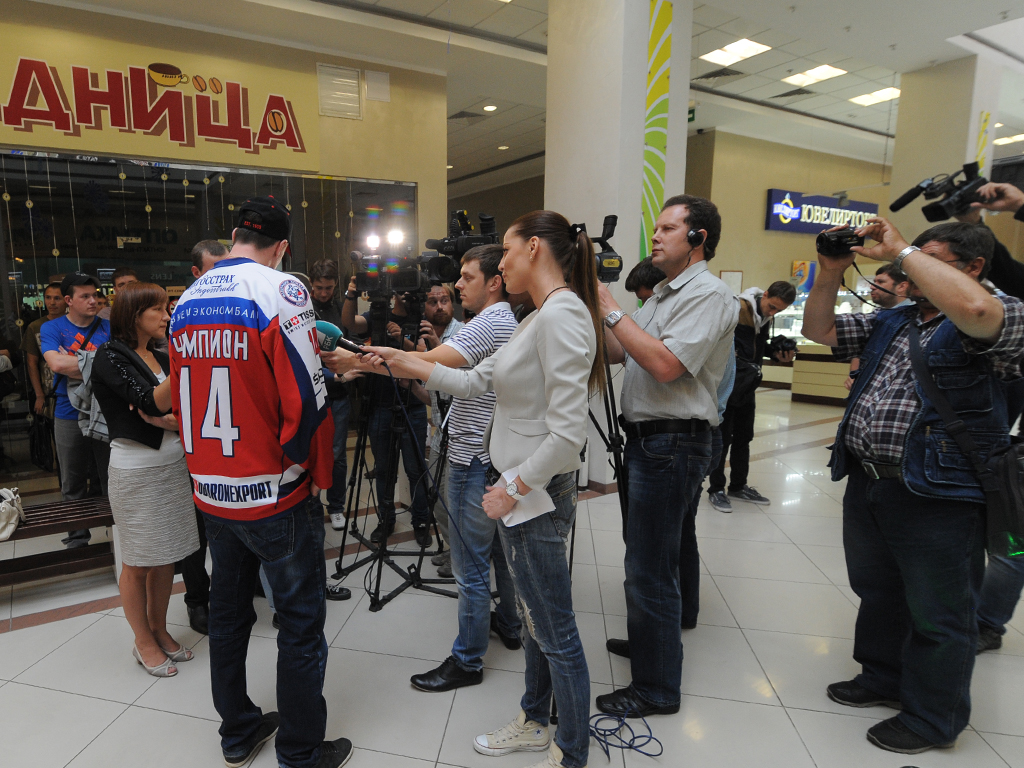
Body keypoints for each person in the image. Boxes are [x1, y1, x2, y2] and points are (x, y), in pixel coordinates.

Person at [336, 210, 604, 768]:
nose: (500, 263)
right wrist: (395, 360)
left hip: (531, 493)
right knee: (531, 620)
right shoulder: (537, 316)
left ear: (534, 248)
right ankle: (535, 721)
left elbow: (568, 433)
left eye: (505, 251)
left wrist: (514, 487)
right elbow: (472, 380)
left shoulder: (563, 316)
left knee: (554, 630)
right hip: (518, 491)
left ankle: (572, 752)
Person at [802, 218, 1023, 754]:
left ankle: (932, 717)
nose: (907, 270)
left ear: (973, 268)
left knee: (940, 611)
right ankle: (882, 676)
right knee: (878, 591)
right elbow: (819, 330)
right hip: (872, 480)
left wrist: (902, 248)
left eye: (930, 259)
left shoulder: (1003, 313)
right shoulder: (897, 319)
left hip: (941, 490)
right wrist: (830, 271)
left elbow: (974, 311)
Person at [170, 197, 351, 768]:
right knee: (300, 624)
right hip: (273, 492)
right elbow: (307, 396)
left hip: (211, 490)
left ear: (231, 237)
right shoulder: (281, 290)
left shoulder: (188, 299)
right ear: (283, 248)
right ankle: (300, 751)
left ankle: (238, 731)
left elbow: (180, 391)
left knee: (228, 619)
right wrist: (317, 475)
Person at [595, 194, 738, 718]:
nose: (654, 237)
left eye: (667, 229)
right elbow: (622, 348)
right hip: (650, 440)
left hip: (674, 441)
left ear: (698, 239)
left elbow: (664, 365)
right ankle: (654, 640)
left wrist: (611, 310)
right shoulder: (661, 296)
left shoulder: (708, 294)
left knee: (649, 567)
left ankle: (656, 689)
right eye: (656, 228)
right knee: (652, 552)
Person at [399, 244, 521, 693]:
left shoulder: (491, 321)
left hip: (473, 457)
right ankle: (508, 623)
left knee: (470, 566)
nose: (457, 285)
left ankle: (467, 661)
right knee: (497, 556)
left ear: (494, 282)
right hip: (489, 456)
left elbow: (428, 365)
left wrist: (365, 359)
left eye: (467, 277)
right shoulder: (497, 321)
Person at [91, 283, 200, 677]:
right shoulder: (109, 354)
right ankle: (142, 639)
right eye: (158, 310)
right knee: (138, 560)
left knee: (167, 554)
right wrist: (182, 366)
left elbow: (181, 406)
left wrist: (169, 416)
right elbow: (155, 401)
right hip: (135, 470)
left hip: (173, 465)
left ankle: (160, 629)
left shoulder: (157, 354)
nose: (167, 316)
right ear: (134, 314)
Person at [951, 182, 1024, 653]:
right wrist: (976, 220)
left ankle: (989, 622)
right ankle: (972, 615)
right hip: (1000, 440)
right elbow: (1007, 272)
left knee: (1013, 542)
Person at [341, 278, 432, 546]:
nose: (404, 293)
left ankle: (421, 521)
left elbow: (428, 356)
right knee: (384, 470)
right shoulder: (379, 315)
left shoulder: (421, 319)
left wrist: (400, 340)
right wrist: (351, 293)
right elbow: (349, 323)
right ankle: (386, 520)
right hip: (380, 403)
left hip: (412, 405)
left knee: (416, 469)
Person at [176, 239, 230, 636]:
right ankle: (197, 599)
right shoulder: (183, 317)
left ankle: (243, 590)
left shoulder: (238, 309)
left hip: (232, 437)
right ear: (196, 274)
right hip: (196, 443)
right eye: (215, 270)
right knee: (197, 531)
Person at [707, 281, 796, 513]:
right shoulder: (738, 309)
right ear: (765, 294)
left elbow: (757, 347)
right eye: (773, 307)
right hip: (727, 386)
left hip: (747, 386)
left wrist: (776, 354)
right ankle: (715, 489)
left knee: (744, 438)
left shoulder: (763, 316)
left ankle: (738, 486)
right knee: (723, 439)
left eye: (780, 310)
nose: (773, 313)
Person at [41, 272, 111, 549]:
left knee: (109, 475)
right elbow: (56, 365)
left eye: (95, 295)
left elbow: (117, 367)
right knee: (72, 479)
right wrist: (101, 364)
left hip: (105, 410)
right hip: (67, 412)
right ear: (69, 300)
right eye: (85, 296)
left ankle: (117, 529)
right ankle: (77, 537)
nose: (93, 301)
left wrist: (74, 361)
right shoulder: (52, 328)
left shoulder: (108, 327)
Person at [419, 283, 464, 576]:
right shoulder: (423, 338)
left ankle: (462, 560)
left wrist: (435, 349)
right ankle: (451, 551)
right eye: (433, 301)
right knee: (438, 501)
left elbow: (461, 385)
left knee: (454, 503)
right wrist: (409, 379)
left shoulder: (462, 335)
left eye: (444, 300)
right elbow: (434, 397)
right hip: (438, 433)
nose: (439, 306)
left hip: (460, 434)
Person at [843, 264, 911, 390]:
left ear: (902, 286)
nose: (872, 286)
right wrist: (854, 374)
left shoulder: (913, 316)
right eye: (874, 281)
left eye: (881, 282)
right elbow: (862, 347)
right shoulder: (879, 316)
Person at [22, 282, 64, 416]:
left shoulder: (75, 323)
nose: (52, 302)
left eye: (57, 298)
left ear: (67, 300)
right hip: (49, 390)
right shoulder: (35, 327)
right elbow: (31, 363)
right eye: (48, 297)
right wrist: (39, 395)